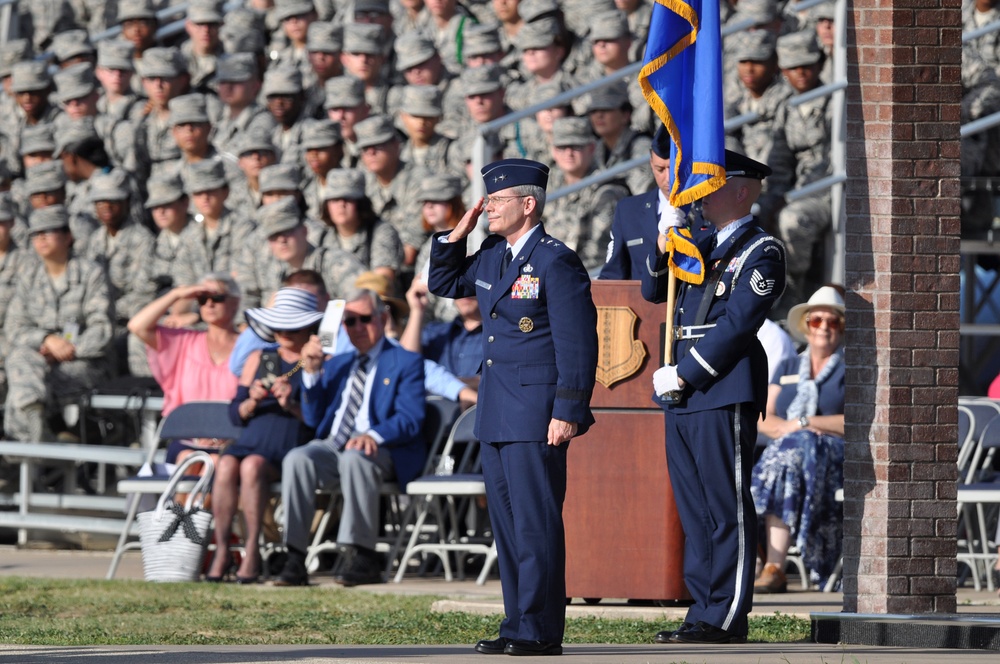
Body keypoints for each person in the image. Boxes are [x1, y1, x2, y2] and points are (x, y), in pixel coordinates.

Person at [428, 158, 599, 657]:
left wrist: (568, 409)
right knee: (507, 526)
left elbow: (577, 344)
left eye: (497, 202)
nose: (487, 210)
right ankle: (517, 623)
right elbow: (444, 283)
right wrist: (454, 233)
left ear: (529, 204)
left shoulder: (555, 261)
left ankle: (540, 630)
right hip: (498, 409)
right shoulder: (491, 255)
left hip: (537, 411)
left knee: (535, 522)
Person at [643, 150, 786, 645]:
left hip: (719, 386)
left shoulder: (760, 250)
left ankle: (726, 614)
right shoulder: (698, 243)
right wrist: (666, 242)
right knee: (695, 506)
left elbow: (738, 323)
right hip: (681, 390)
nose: (701, 193)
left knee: (725, 506)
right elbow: (652, 289)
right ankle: (702, 609)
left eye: (713, 184)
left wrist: (685, 373)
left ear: (742, 191)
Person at [271, 289, 426, 587]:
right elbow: (315, 420)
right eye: (349, 321)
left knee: (356, 456)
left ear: (382, 318)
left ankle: (362, 555)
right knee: (298, 458)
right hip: (335, 446)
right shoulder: (337, 363)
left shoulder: (405, 361)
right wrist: (312, 374)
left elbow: (411, 419)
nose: (356, 328)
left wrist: (373, 434)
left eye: (364, 319)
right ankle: (294, 556)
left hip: (383, 450)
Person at [206, 288, 324, 584]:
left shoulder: (318, 361)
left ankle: (252, 551)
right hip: (254, 435)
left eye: (292, 324)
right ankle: (222, 551)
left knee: (251, 466)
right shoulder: (259, 356)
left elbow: (320, 419)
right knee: (226, 465)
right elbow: (235, 413)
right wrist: (252, 400)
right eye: (279, 323)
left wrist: (291, 405)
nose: (284, 331)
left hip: (289, 442)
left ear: (308, 326)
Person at [751, 285, 845, 593]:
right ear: (806, 325)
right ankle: (775, 565)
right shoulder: (789, 365)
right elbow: (764, 415)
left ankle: (774, 565)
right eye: (817, 321)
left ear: (843, 328)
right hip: (789, 452)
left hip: (835, 454)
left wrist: (805, 423)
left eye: (833, 322)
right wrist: (789, 431)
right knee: (791, 456)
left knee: (790, 455)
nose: (824, 328)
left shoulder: (852, 367)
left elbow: (861, 422)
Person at [4, 205, 113, 443]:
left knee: (21, 384)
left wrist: (67, 350)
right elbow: (15, 328)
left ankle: (29, 449)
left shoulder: (90, 273)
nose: (40, 238)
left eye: (48, 231)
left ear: (67, 236)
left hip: (84, 364)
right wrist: (46, 340)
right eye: (35, 234)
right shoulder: (29, 277)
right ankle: (38, 432)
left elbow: (102, 329)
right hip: (40, 363)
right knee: (19, 361)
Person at [128, 272, 241, 461]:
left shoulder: (247, 346)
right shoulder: (184, 342)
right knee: (188, 459)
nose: (209, 304)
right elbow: (137, 326)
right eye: (203, 299)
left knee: (216, 462)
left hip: (233, 438)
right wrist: (177, 294)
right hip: (188, 438)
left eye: (217, 298)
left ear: (235, 302)